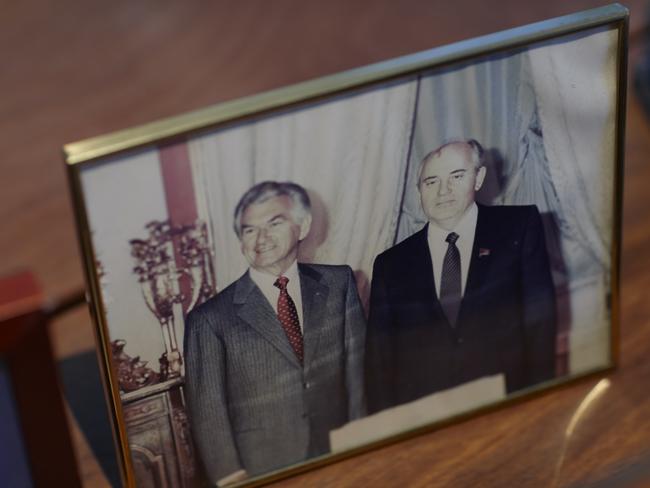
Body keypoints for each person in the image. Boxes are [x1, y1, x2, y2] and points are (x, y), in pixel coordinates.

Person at [184, 181, 366, 486]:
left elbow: (357, 375)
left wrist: (365, 441)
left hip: (339, 451)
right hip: (263, 468)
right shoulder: (210, 318)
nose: (261, 239)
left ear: (303, 225)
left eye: (274, 223)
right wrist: (230, 477)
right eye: (249, 230)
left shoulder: (339, 284)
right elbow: (208, 414)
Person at [365, 139, 557, 414]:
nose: (443, 191)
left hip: (509, 403)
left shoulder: (518, 227)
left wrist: (542, 403)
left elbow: (540, 323)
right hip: (427, 418)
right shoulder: (390, 264)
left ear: (478, 178)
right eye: (431, 182)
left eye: (456, 176)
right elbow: (379, 360)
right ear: (419, 189)